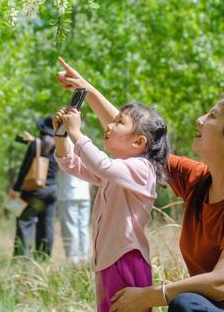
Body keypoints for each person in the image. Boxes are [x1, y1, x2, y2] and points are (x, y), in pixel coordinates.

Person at [54, 57, 224, 312]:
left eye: (212, 116)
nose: (200, 120)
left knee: (185, 305)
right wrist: (86, 90)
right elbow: (137, 140)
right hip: (213, 307)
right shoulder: (199, 180)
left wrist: (151, 295)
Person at [53, 99, 169, 312]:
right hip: (108, 259)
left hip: (125, 258)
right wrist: (62, 136)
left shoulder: (142, 169)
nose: (109, 125)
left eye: (119, 122)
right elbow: (72, 165)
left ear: (138, 142)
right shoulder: (118, 170)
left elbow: (101, 165)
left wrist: (77, 134)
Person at [9, 116, 58, 258]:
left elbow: (25, 168)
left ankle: (21, 258)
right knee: (46, 225)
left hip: (34, 192)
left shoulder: (36, 144)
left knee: (24, 221)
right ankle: (43, 258)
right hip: (52, 191)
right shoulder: (60, 145)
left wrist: (15, 188)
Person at [57, 160, 91, 264]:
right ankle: (84, 257)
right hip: (84, 194)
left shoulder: (65, 149)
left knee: (71, 227)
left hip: (69, 194)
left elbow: (59, 169)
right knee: (83, 227)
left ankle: (73, 259)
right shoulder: (86, 148)